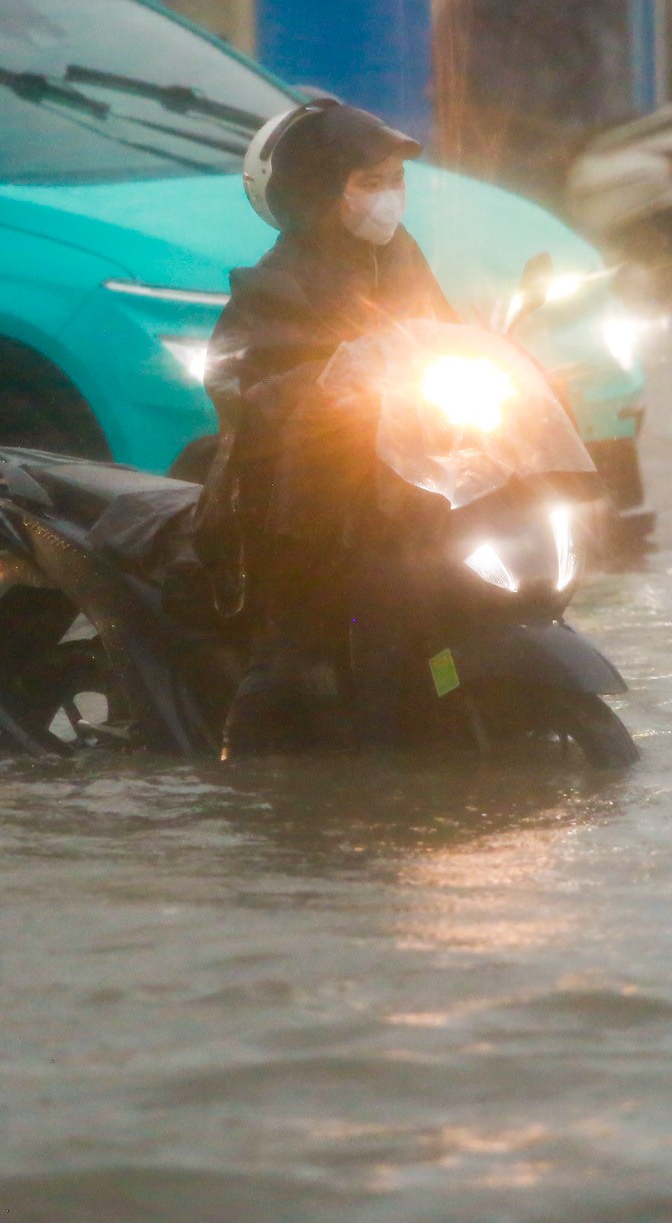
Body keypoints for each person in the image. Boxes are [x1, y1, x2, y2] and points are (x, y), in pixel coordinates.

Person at [191, 99, 459, 759]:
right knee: (290, 666)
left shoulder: (402, 259)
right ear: (318, 189)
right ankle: (245, 777)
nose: (389, 198)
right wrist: (326, 392)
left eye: (395, 181)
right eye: (370, 182)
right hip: (298, 508)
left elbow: (448, 336)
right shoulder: (272, 283)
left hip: (398, 486)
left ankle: (448, 712)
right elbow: (245, 386)